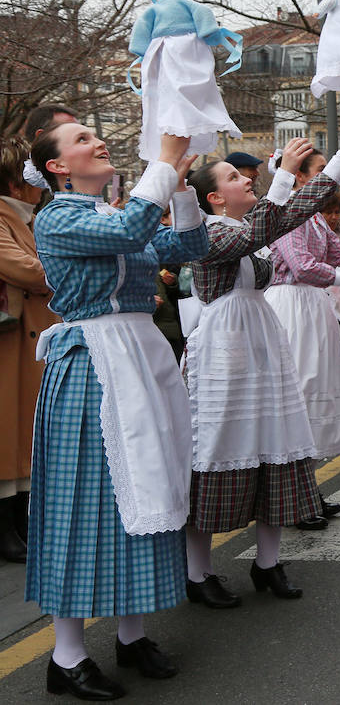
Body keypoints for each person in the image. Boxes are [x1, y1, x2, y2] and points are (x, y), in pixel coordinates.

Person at [28, 129, 205, 698]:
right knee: (84, 505)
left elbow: (189, 249)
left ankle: (132, 635)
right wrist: (164, 162)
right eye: (83, 138)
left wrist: (179, 187)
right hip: (92, 369)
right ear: (57, 165)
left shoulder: (111, 213)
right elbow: (131, 230)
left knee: (147, 492)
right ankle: (66, 656)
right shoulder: (57, 218)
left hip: (140, 364)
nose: (99, 140)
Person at [182, 133, 340, 608]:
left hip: (261, 341)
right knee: (218, 446)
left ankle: (267, 562)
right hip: (225, 352)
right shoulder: (211, 231)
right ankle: (197, 570)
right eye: (232, 177)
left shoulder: (250, 223)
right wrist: (285, 173)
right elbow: (259, 231)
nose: (245, 179)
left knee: (278, 441)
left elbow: (290, 215)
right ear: (212, 198)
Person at [266, 148, 340, 529]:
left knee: (316, 393)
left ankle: (306, 488)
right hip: (291, 306)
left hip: (313, 307)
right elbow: (302, 265)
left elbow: (339, 253)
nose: (329, 178)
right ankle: (291, 496)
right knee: (300, 392)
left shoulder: (313, 218)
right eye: (319, 171)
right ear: (300, 177)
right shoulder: (285, 213)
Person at [0, 136, 57, 563]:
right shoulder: (4, 218)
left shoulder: (23, 217)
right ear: (17, 183)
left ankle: (17, 521)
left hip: (28, 338)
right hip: (11, 342)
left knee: (23, 431)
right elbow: (26, 269)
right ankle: (7, 526)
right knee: (11, 430)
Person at [128, 0, 242, 161]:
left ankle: (177, 123)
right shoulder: (191, 5)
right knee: (193, 82)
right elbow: (205, 18)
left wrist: (141, 50)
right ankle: (192, 116)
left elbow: (140, 32)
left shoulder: (153, 10)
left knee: (167, 87)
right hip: (190, 47)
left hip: (163, 49)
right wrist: (211, 35)